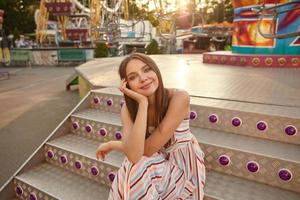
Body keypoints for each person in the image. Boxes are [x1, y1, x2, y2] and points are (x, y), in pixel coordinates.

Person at [96, 53, 206, 199]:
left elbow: (145, 151)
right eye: (133, 77)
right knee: (133, 164)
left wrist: (111, 144)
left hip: (183, 166)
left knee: (137, 164)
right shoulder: (128, 109)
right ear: (126, 85)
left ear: (155, 70)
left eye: (147, 70)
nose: (143, 78)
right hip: (155, 163)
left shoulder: (179, 97)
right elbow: (134, 154)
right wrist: (142, 104)